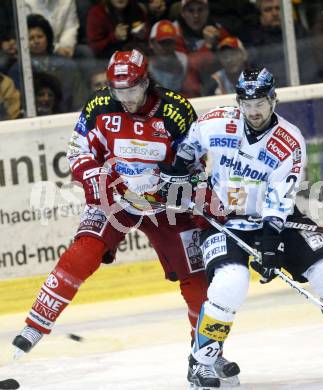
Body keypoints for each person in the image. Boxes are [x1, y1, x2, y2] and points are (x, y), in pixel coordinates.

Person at [12, 49, 239, 385]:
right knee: (83, 251)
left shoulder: (176, 112)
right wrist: (96, 178)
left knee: (196, 278)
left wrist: (178, 184)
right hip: (116, 195)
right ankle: (35, 324)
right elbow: (77, 150)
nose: (127, 99)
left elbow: (195, 163)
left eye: (132, 91)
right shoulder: (99, 106)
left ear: (146, 82)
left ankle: (205, 354)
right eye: (120, 92)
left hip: (166, 207)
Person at [159, 67, 323, 388]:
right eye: (247, 103)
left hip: (276, 220)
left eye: (260, 104)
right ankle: (202, 360)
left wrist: (271, 245)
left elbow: (279, 200)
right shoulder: (216, 122)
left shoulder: (290, 141)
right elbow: (190, 144)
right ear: (239, 101)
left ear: (273, 100)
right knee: (231, 282)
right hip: (225, 220)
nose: (253, 112)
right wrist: (178, 169)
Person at [148, 19, 201, 97]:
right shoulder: (145, 65)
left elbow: (193, 92)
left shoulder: (185, 61)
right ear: (152, 43)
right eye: (162, 42)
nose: (166, 47)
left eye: (170, 42)